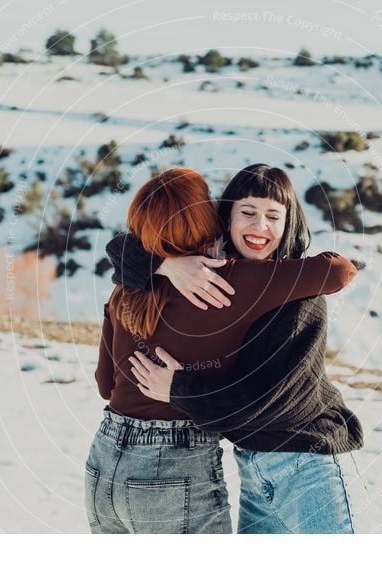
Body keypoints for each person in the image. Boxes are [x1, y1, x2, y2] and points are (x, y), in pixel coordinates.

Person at [87, 166, 357, 534]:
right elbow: (339, 271)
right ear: (216, 218)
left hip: (103, 462)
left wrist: (162, 264)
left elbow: (106, 385)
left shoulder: (123, 291)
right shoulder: (231, 280)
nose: (259, 225)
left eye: (273, 216)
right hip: (174, 465)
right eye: (246, 212)